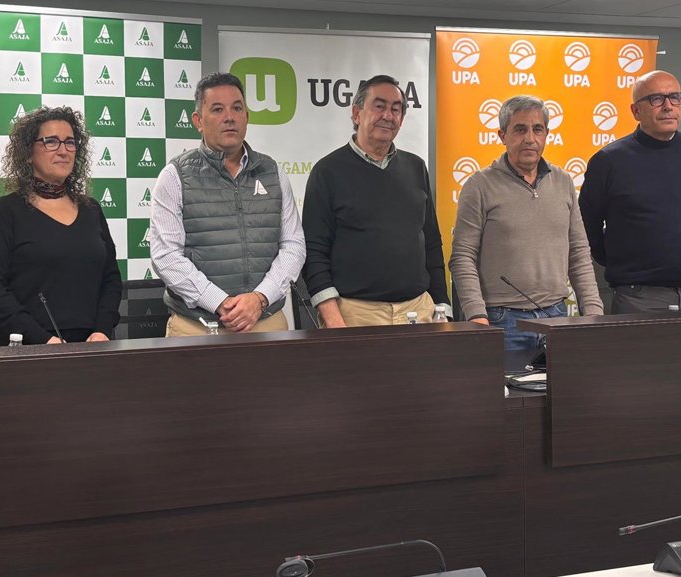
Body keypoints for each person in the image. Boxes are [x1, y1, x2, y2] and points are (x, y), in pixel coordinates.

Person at [450, 95, 603, 368]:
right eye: (520, 129)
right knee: (506, 396)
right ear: (502, 135)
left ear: (546, 134)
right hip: (501, 322)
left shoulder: (564, 182)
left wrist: (593, 312)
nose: (530, 139)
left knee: (562, 394)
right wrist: (476, 316)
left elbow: (579, 253)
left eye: (537, 129)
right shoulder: (479, 186)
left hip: (557, 318)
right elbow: (462, 257)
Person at [150, 72, 306, 336]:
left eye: (237, 108)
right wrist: (220, 302)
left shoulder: (273, 173)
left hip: (265, 322)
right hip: (197, 327)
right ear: (198, 121)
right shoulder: (175, 177)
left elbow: (293, 245)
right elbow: (165, 256)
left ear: (247, 116)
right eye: (217, 109)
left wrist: (259, 298)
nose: (229, 117)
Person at [302, 74, 449, 327]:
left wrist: (442, 309)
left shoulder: (416, 167)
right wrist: (333, 319)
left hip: (418, 311)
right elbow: (314, 252)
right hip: (354, 314)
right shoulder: (327, 171)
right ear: (356, 113)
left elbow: (431, 244)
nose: (388, 116)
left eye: (396, 109)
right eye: (379, 106)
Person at [579, 70, 681, 313]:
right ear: (636, 111)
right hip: (637, 297)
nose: (668, 106)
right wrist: (621, 259)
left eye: (675, 97)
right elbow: (586, 226)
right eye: (656, 99)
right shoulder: (609, 161)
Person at [0, 105, 122, 345]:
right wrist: (43, 339)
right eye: (51, 142)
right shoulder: (6, 211)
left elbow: (111, 278)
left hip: (91, 347)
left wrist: (102, 330)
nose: (63, 151)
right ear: (28, 153)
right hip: (27, 349)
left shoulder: (92, 210)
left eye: (70, 142)